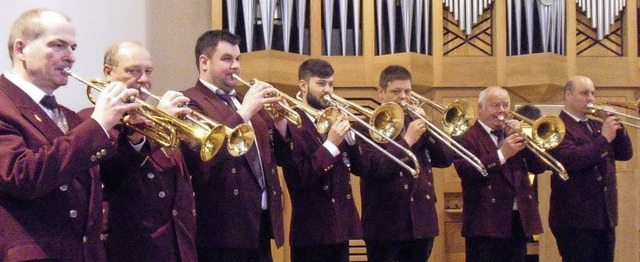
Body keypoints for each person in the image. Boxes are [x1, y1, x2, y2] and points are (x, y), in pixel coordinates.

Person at [0, 9, 139, 261]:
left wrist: (134, 138)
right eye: (58, 45)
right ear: (21, 49)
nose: (71, 57)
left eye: (73, 47)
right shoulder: (3, 104)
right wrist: (98, 124)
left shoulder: (69, 116)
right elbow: (22, 175)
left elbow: (111, 181)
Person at [77, 41, 197, 261]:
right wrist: (153, 128)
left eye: (148, 71)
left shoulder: (157, 119)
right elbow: (113, 178)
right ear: (108, 73)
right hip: (132, 248)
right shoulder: (90, 120)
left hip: (177, 246)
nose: (144, 80)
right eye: (133, 71)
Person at [181, 29, 289, 262]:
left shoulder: (244, 101)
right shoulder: (191, 102)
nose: (236, 66)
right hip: (222, 232)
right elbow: (202, 158)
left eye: (238, 59)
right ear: (204, 62)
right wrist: (245, 112)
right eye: (227, 59)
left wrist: (280, 122)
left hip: (259, 224)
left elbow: (277, 158)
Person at [357, 65, 453, 262]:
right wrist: (407, 141)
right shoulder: (365, 127)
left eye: (408, 91)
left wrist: (428, 130)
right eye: (396, 91)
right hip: (385, 225)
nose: (403, 97)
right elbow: (374, 169)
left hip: (421, 222)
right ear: (381, 93)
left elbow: (445, 160)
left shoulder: (417, 124)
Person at [279, 58, 363, 261]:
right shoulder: (292, 122)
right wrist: (331, 144)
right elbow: (300, 176)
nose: (328, 90)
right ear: (303, 85)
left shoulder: (334, 116)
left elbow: (359, 168)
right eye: (321, 83)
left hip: (341, 227)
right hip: (312, 231)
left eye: (331, 84)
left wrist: (350, 140)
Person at [452, 86, 547, 262]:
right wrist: (502, 154)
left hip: (517, 221)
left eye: (505, 105)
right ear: (480, 108)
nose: (502, 111)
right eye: (495, 105)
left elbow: (539, 167)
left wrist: (527, 143)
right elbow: (467, 171)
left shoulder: (513, 134)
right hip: (484, 224)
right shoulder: (467, 137)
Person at [548, 76, 633, 262]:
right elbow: (573, 160)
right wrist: (604, 139)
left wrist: (617, 127)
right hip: (575, 219)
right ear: (568, 96)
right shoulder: (557, 126)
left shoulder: (596, 125)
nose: (591, 98)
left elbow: (625, 154)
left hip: (604, 216)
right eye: (584, 93)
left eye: (593, 93)